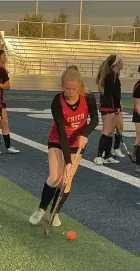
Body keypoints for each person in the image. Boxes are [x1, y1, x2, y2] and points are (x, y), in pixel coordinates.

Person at [29, 66, 99, 226]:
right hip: (58, 139)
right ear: (62, 87)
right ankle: (41, 209)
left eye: (74, 89)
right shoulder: (57, 101)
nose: (70, 92)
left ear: (80, 86)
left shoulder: (88, 97)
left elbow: (94, 120)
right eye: (67, 89)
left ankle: (54, 213)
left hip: (77, 142)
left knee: (66, 180)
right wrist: (67, 161)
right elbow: (61, 132)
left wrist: (85, 134)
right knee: (55, 177)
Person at [94, 54, 124, 165]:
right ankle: (98, 156)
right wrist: (116, 106)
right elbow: (112, 94)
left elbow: (116, 94)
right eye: (121, 61)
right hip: (107, 106)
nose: (123, 63)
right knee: (107, 131)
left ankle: (107, 155)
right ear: (116, 63)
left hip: (113, 106)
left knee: (110, 131)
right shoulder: (110, 75)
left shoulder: (115, 75)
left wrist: (117, 107)